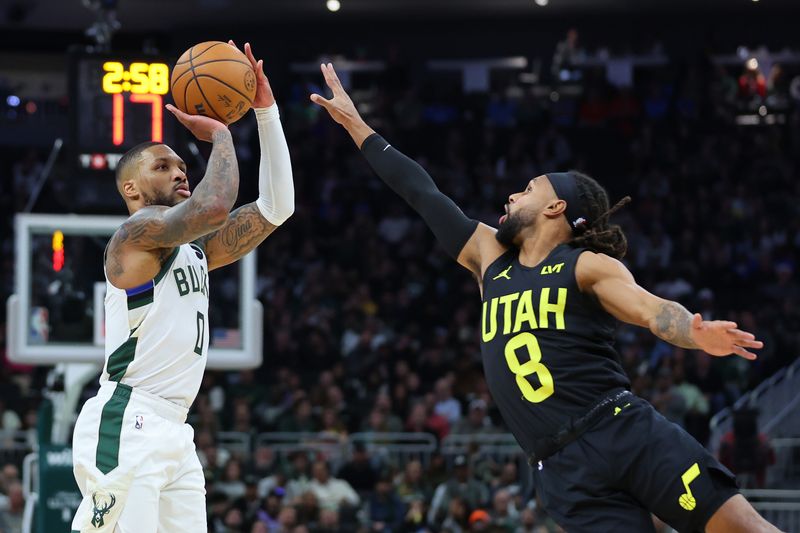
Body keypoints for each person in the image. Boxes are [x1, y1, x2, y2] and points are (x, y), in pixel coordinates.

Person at [310, 63, 779, 533]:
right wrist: (357, 123)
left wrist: (695, 333)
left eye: (529, 188)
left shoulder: (588, 264)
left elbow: (652, 310)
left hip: (620, 429)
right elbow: (421, 192)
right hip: (560, 471)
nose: (513, 195)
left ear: (557, 207)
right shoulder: (489, 255)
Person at [70, 42, 294, 533]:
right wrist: (220, 136)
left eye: (181, 168)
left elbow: (278, 207)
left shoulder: (193, 251)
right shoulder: (134, 238)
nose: (178, 172)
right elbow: (214, 208)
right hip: (129, 417)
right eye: (162, 167)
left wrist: (266, 110)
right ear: (130, 189)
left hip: (175, 428)